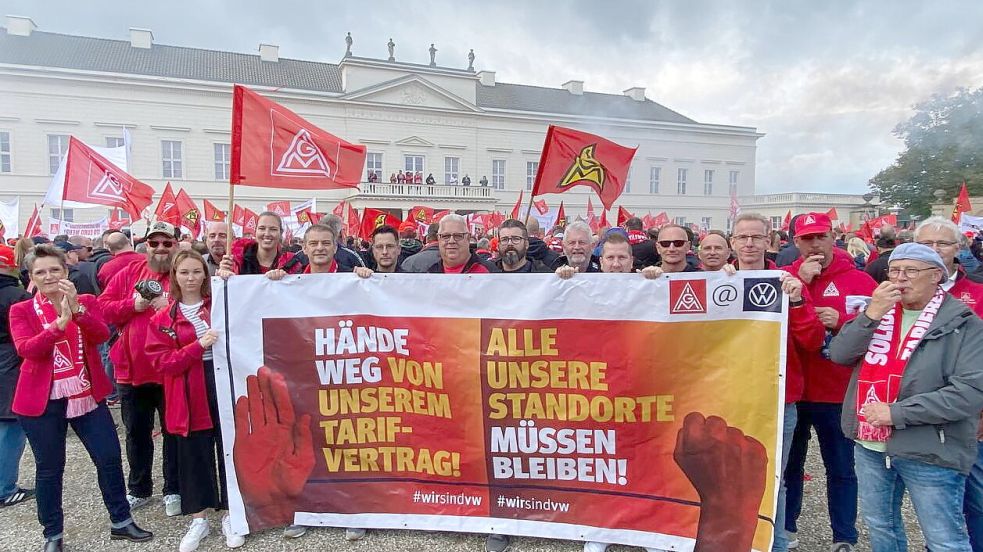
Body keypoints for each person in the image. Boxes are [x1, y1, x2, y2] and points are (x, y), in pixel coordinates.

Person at [829, 243, 983, 552]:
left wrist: (897, 413)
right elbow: (839, 354)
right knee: (881, 526)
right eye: (895, 271)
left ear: (937, 275)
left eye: (911, 271)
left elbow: (968, 393)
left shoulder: (965, 325)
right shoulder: (878, 314)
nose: (901, 279)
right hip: (870, 444)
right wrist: (870, 315)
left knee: (944, 538)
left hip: (930, 445)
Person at [11, 244, 152, 551]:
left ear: (66, 272)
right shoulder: (21, 310)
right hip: (42, 399)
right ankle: (53, 533)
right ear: (31, 277)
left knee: (108, 457)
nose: (49, 276)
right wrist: (57, 325)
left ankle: (121, 520)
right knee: (50, 467)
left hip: (86, 394)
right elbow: (28, 350)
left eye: (55, 270)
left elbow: (101, 335)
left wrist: (76, 311)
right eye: (41, 272)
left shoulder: (85, 301)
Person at [726, 213, 826, 552]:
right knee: (727, 478)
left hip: (776, 400)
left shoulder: (788, 283)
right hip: (726, 397)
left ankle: (776, 542)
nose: (750, 243)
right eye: (743, 237)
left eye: (757, 237)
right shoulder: (715, 281)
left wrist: (797, 301)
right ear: (732, 243)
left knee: (773, 479)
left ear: (770, 242)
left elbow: (813, 341)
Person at [785, 212, 875, 552]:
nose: (814, 245)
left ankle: (844, 535)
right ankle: (788, 528)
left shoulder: (861, 281)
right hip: (793, 388)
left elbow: (877, 331)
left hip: (836, 390)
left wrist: (843, 321)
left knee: (840, 467)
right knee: (791, 466)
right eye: (807, 238)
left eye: (820, 236)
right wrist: (800, 280)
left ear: (833, 236)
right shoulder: (784, 277)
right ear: (796, 242)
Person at [145, 250, 241, 551]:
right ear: (174, 275)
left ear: (205, 275)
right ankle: (199, 518)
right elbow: (163, 364)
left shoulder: (220, 305)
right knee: (194, 454)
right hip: (188, 390)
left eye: (197, 272)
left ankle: (230, 513)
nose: (190, 278)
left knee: (229, 449)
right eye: (184, 272)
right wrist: (197, 346)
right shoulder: (163, 317)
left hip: (222, 383)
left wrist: (231, 279)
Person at [99, 221, 181, 516]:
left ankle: (174, 486)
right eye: (154, 243)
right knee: (136, 432)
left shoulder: (184, 272)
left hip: (171, 368)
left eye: (166, 243)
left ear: (176, 244)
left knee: (174, 431)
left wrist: (169, 305)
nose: (160, 248)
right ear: (145, 245)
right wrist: (132, 306)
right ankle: (139, 488)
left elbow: (203, 308)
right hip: (132, 370)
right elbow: (103, 307)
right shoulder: (127, 273)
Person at [0, 244, 33, 509]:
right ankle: (5, 487)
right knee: (10, 427)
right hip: (9, 363)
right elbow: (27, 336)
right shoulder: (17, 295)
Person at [915, 216, 983, 316]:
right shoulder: (901, 288)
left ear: (957, 248)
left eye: (943, 243)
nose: (934, 249)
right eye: (926, 243)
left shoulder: (979, 288)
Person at [220, 212, 303, 276]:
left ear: (281, 233)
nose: (267, 233)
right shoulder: (236, 261)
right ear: (255, 231)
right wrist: (224, 274)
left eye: (273, 229)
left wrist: (285, 279)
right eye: (262, 228)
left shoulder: (291, 263)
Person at [426, 215, 498, 273]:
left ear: (468, 238)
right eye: (445, 236)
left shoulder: (490, 272)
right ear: (438, 239)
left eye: (458, 236)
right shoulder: (429, 274)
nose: (451, 241)